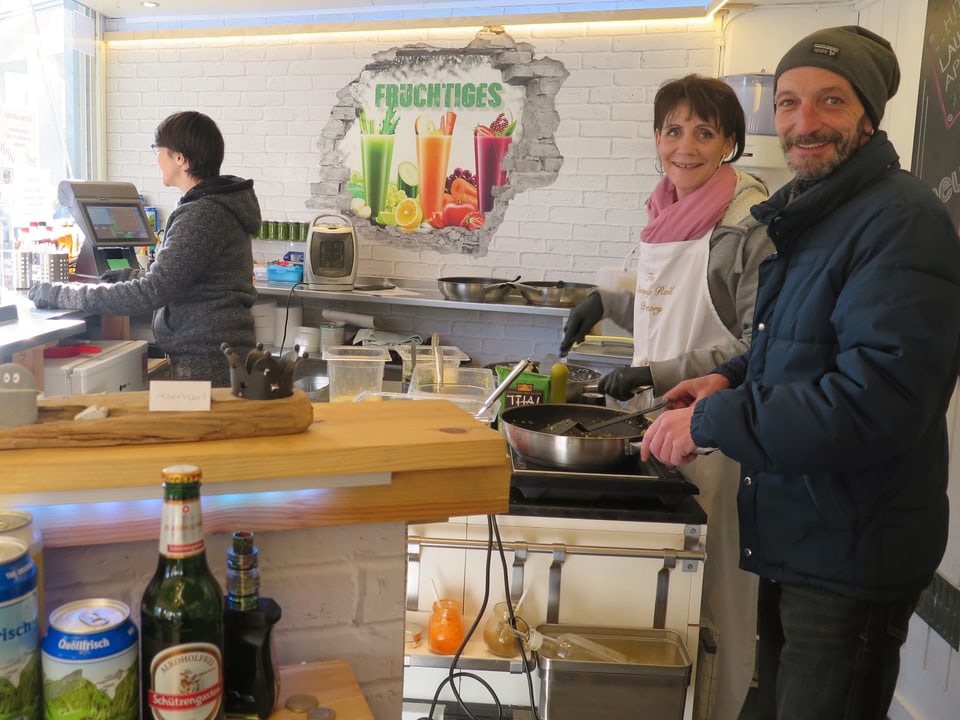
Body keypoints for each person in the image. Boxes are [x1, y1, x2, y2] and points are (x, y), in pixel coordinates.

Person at [640, 26, 960, 720]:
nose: (803, 123)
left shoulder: (901, 221)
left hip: (852, 546)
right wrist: (728, 377)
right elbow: (786, 345)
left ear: (868, 115)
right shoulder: (819, 211)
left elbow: (875, 400)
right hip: (803, 529)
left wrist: (710, 420)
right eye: (787, 103)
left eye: (830, 102)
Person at [560, 74, 773, 720]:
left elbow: (755, 348)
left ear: (731, 142)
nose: (685, 146)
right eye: (673, 131)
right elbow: (669, 306)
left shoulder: (745, 225)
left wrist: (655, 375)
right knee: (670, 602)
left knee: (715, 608)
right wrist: (607, 301)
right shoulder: (667, 209)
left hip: (718, 442)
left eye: (704, 133)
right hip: (663, 437)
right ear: (657, 139)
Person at [29, 111, 260, 387]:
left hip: (206, 361)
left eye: (158, 150)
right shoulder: (212, 205)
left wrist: (60, 294)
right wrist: (130, 276)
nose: (157, 159)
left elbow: (152, 293)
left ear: (179, 158)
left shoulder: (203, 214)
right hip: (214, 353)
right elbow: (181, 278)